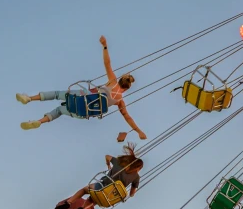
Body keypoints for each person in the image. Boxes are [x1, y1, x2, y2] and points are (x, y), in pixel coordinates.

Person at [17, 36, 147, 139]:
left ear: (120, 80)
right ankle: (39, 122)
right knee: (60, 110)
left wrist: (105, 46)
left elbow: (107, 63)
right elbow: (128, 117)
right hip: (83, 112)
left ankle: (29, 98)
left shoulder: (112, 81)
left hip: (82, 97)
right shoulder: (120, 101)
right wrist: (139, 132)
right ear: (127, 88)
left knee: (57, 94)